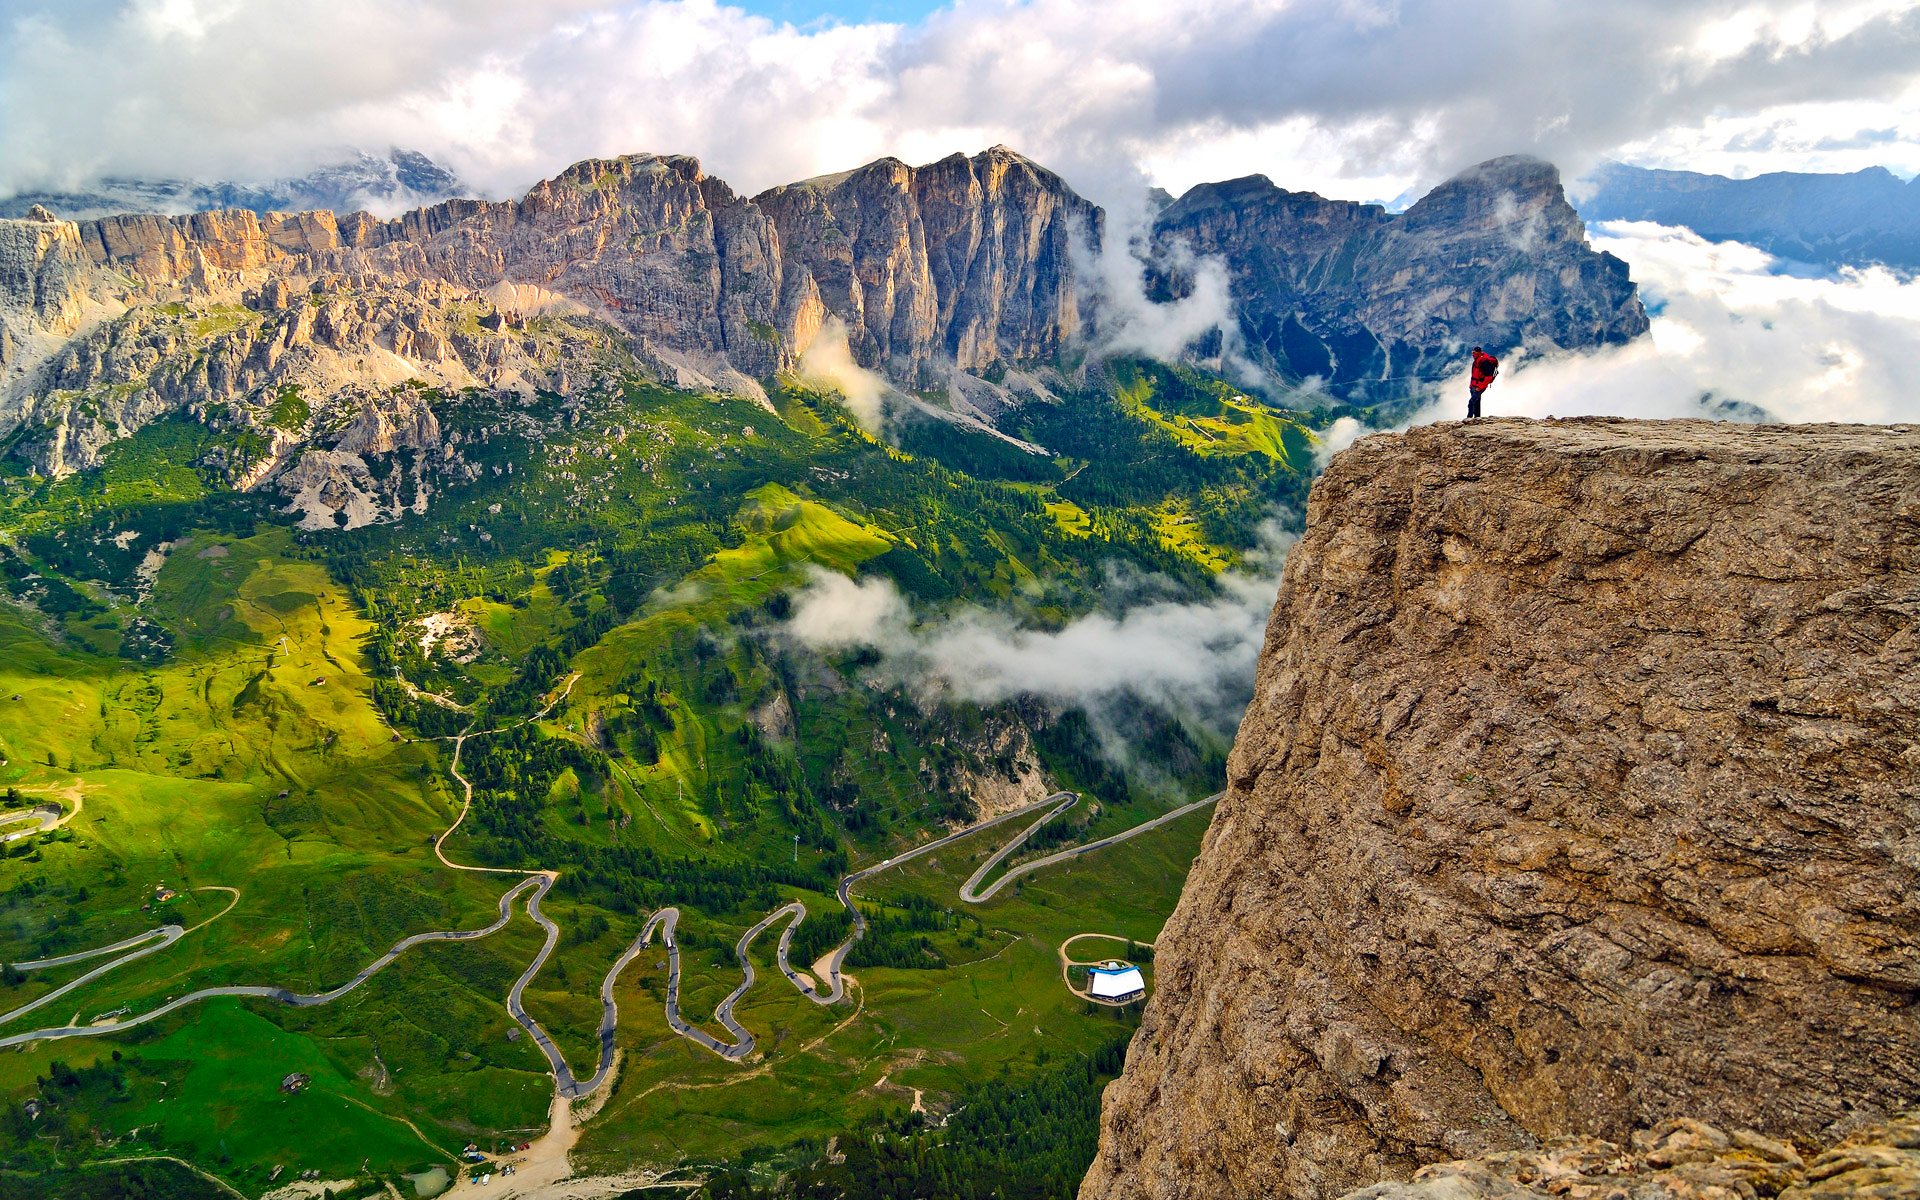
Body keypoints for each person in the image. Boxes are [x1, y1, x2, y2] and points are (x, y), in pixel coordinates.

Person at [1468, 346, 1499, 419]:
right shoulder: (1476, 361)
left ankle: (1468, 418)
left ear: (1478, 353)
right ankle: (1477, 418)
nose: (1472, 354)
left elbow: (1489, 377)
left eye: (1474, 353)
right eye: (1472, 352)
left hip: (1479, 386)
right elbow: (1473, 374)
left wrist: (1480, 387)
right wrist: (1471, 385)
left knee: (1471, 403)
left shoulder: (1484, 362)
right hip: (1474, 386)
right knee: (1476, 402)